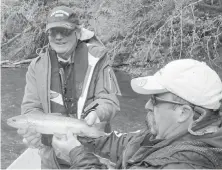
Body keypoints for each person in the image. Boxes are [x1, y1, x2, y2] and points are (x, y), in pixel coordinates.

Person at [52, 59, 222, 169]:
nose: (147, 105)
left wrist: (76, 154)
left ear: (183, 113)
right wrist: (82, 134)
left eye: (155, 100)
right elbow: (128, 144)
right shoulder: (168, 135)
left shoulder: (181, 165)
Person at [17, 6, 120, 169]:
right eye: (53, 32)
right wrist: (33, 130)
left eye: (64, 31)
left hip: (91, 156)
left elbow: (108, 100)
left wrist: (97, 113)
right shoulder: (36, 66)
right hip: (53, 159)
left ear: (77, 33)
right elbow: (31, 107)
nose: (58, 37)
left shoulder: (98, 59)